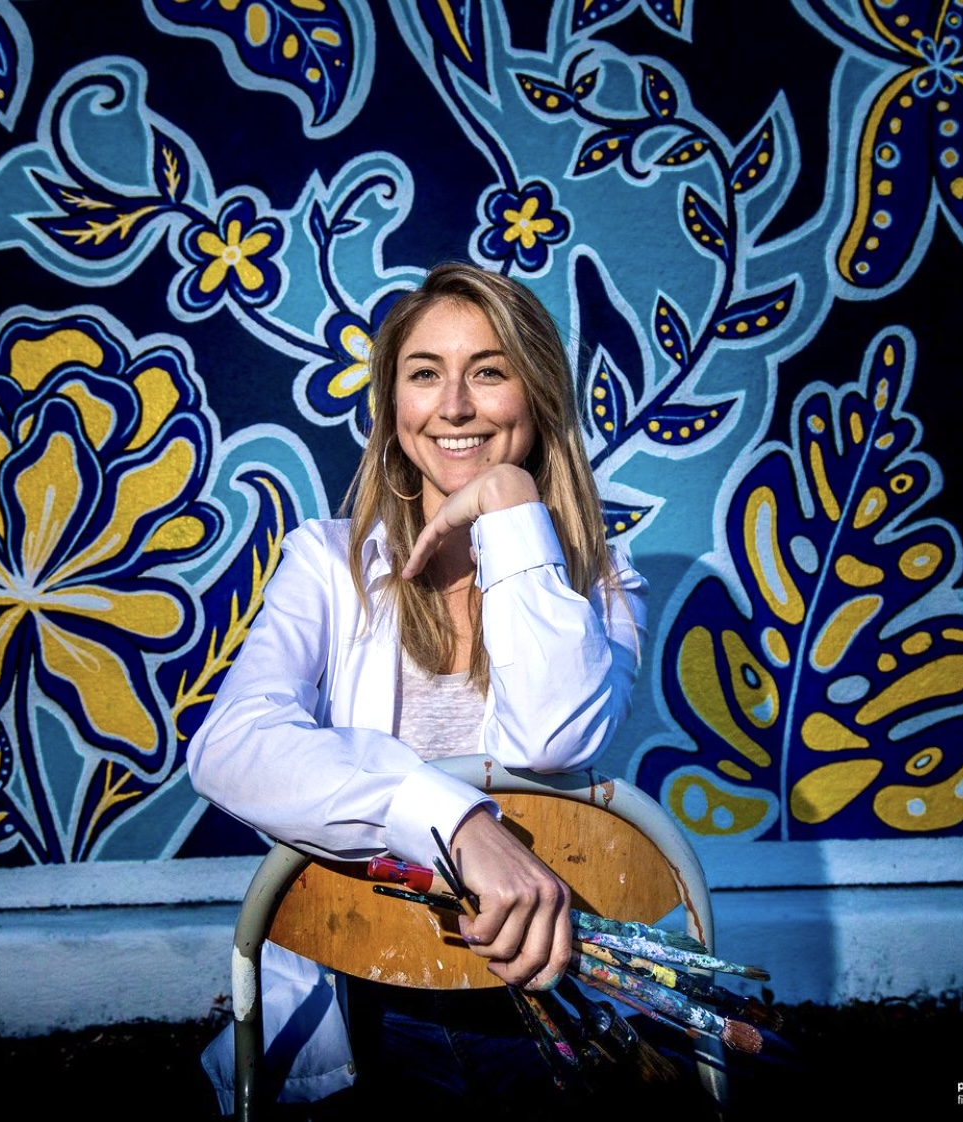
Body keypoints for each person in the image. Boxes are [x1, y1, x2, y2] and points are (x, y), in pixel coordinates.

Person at [187, 262, 648, 1116]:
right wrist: (455, 822)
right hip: (363, 990)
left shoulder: (600, 581)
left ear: (537, 393)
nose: (455, 406)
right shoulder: (327, 562)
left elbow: (553, 739)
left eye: (490, 371)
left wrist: (510, 508)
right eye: (426, 373)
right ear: (392, 404)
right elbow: (231, 747)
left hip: (538, 982)